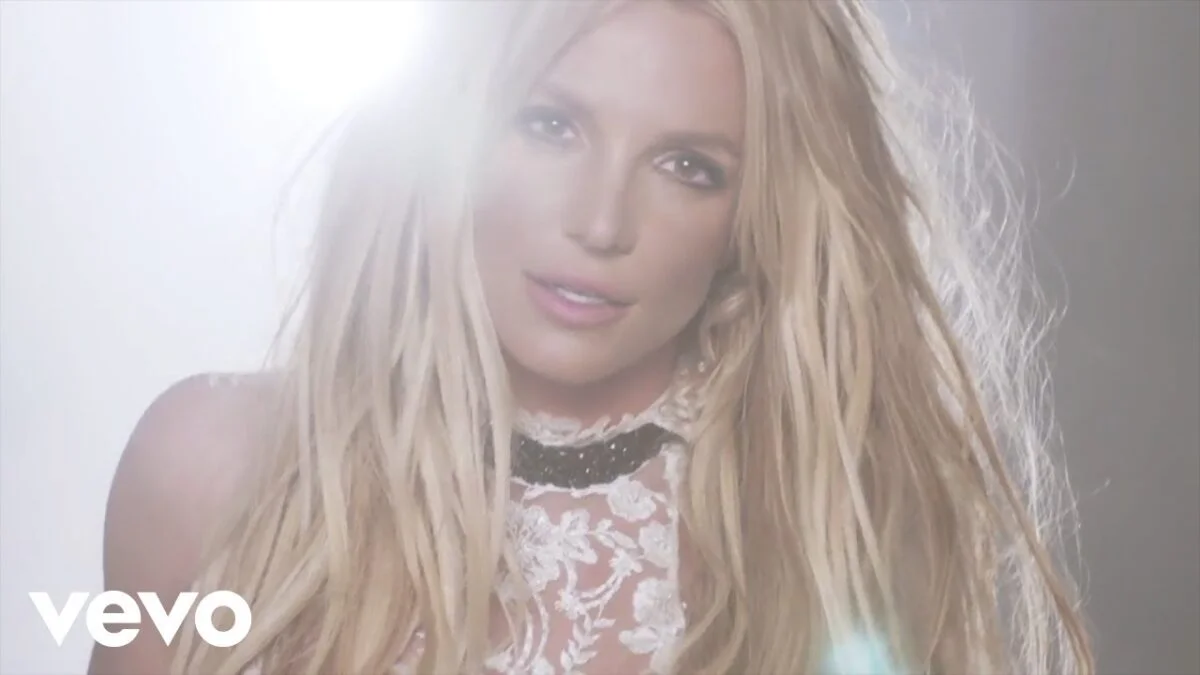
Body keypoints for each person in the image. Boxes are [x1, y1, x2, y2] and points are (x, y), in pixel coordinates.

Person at [89, 1, 1095, 674]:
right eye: (551, 125)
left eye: (688, 167)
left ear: (754, 216)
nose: (602, 222)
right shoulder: (211, 466)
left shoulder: (822, 519)